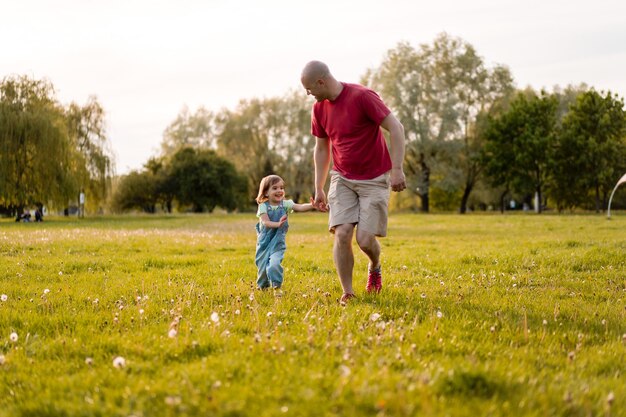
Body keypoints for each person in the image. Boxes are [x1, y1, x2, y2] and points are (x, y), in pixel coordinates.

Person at [300, 60, 407, 303]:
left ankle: (375, 265)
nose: (308, 94)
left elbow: (396, 127)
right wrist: (318, 186)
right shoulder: (319, 109)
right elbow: (321, 148)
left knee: (365, 240)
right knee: (342, 233)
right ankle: (348, 291)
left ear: (321, 81)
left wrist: (397, 169)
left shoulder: (362, 97)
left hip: (374, 178)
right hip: (343, 177)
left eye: (309, 89)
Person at [255, 175, 316, 291]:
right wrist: (278, 224)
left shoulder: (286, 204)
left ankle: (277, 286)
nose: (279, 191)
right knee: (262, 267)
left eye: (281, 188)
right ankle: (262, 287)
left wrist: (312, 205)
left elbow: (299, 206)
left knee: (274, 264)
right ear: (266, 193)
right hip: (264, 242)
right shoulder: (263, 206)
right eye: (275, 188)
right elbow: (266, 222)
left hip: (278, 241)